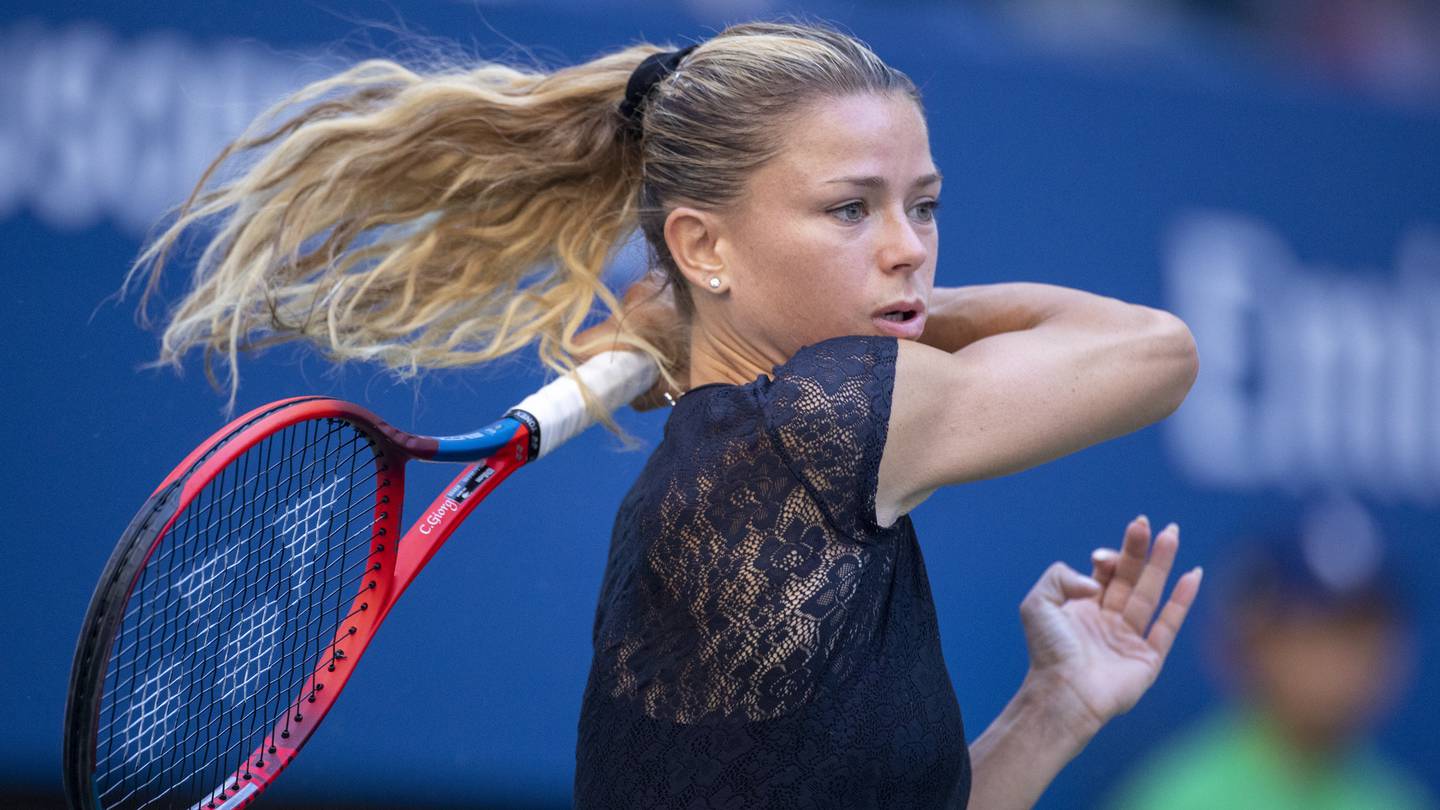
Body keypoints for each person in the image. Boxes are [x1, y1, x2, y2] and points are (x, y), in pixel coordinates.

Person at [129, 20, 1203, 809]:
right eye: (849, 208)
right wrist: (912, 321)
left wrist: (1054, 708)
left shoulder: (742, 464)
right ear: (701, 247)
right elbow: (1158, 351)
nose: (906, 245)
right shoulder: (822, 426)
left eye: (921, 205)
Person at [1106, 501, 1434, 810]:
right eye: (1312, 631)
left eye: (1358, 633)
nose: (1338, 661)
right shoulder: (1179, 797)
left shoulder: (1398, 799)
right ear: (1252, 642)